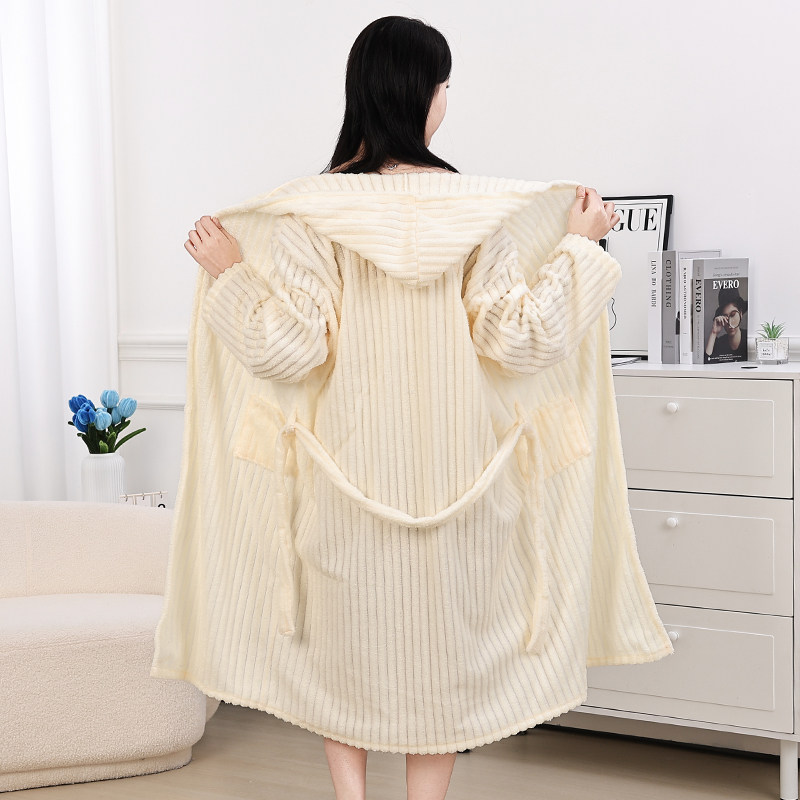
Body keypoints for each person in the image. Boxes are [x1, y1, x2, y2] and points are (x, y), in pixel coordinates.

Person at [183, 16, 621, 800]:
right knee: (443, 660)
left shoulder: (313, 213)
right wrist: (579, 247)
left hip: (345, 475)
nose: (447, 99)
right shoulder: (477, 212)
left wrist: (231, 274)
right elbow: (521, 339)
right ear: (425, 93)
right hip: (464, 480)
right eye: (445, 84)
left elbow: (291, 350)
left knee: (343, 651)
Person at [704, 288, 748, 363]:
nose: (729, 322)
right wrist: (713, 333)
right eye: (725, 317)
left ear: (740, 314)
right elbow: (705, 364)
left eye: (733, 315)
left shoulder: (748, 339)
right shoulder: (719, 344)